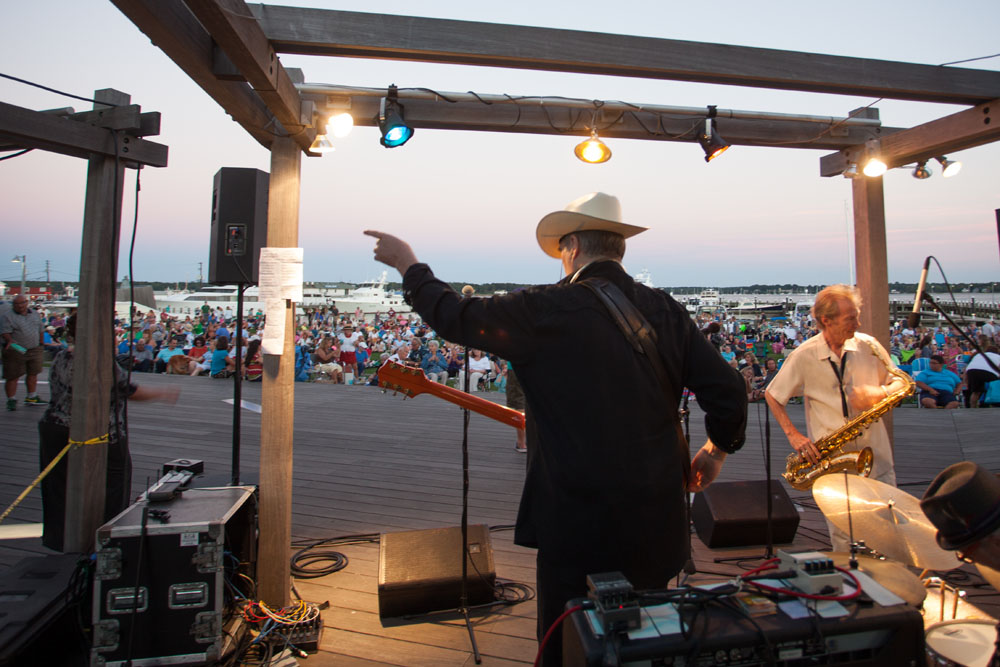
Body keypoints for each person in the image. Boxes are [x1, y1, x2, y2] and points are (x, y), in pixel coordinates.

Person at [365, 191, 747, 666]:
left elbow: (454, 315)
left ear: (570, 246)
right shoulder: (666, 310)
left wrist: (409, 266)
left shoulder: (545, 309)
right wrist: (715, 451)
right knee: (651, 640)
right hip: (657, 515)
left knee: (570, 641)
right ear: (619, 248)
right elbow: (728, 392)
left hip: (577, 519)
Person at [765, 284, 909, 551]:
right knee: (844, 536)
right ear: (825, 321)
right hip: (833, 460)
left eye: (856, 315)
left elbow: (902, 382)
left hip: (876, 454)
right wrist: (794, 436)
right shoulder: (804, 355)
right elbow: (773, 395)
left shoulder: (870, 346)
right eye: (850, 318)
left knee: (888, 529)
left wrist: (877, 392)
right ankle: (852, 586)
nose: (858, 323)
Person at [38, 313, 179, 551]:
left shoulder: (61, 356)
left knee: (57, 489)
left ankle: (59, 541)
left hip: (55, 428)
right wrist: (163, 394)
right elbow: (127, 390)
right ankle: (109, 540)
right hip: (101, 433)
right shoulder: (98, 361)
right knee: (115, 484)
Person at [1, 295, 47, 410]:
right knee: (12, 376)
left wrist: (41, 344)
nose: (20, 306)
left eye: (22, 303)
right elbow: (5, 332)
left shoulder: (35, 314)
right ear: (13, 305)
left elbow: (41, 329)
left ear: (27, 303)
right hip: (16, 349)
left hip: (35, 348)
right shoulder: (7, 316)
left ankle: (31, 397)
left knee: (33, 373)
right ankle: (11, 400)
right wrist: (10, 341)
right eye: (16, 304)